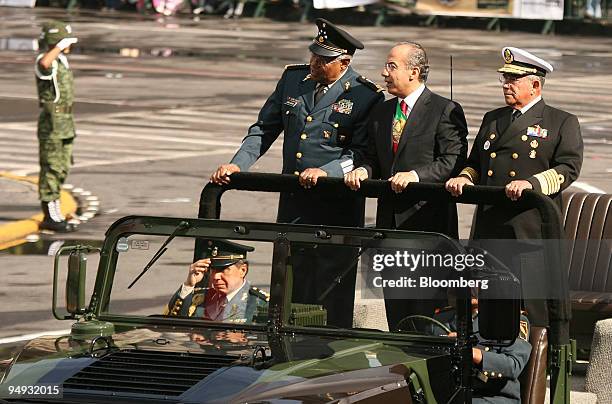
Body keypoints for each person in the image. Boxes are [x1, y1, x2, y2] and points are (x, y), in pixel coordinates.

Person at [210, 19, 384, 328]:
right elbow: (264, 129)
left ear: (344, 62)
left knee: (330, 285)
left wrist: (326, 171)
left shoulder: (365, 95)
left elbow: (361, 154)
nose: (314, 63)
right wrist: (238, 164)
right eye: (313, 55)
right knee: (289, 275)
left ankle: (330, 343)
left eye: (323, 60)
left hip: (335, 208)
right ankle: (285, 337)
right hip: (293, 203)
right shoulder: (293, 80)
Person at [445, 47, 583, 324]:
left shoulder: (560, 121)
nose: (506, 85)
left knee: (531, 308)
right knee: (491, 305)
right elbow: (476, 162)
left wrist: (531, 184)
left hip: (528, 231)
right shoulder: (493, 118)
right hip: (490, 227)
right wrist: (465, 177)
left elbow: (568, 168)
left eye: (513, 80)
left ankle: (535, 364)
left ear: (534, 84)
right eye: (504, 79)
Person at [344, 42, 468, 329]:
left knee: (427, 316)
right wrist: (364, 170)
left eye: (391, 66)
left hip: (427, 229)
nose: (384, 72)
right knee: (397, 313)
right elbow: (374, 158)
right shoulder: (383, 112)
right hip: (390, 231)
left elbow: (453, 161)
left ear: (414, 71)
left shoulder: (443, 109)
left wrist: (416, 176)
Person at [437, 300, 532, 404]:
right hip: (449, 395)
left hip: (492, 397)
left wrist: (473, 353)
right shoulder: (442, 318)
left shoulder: (510, 318)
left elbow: (513, 365)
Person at [35, 21, 79, 233]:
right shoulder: (47, 61)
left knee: (62, 168)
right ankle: (50, 215)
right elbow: (44, 63)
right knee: (51, 169)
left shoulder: (61, 61)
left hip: (65, 124)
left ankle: (56, 211)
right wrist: (58, 46)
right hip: (52, 126)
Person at [165, 240, 268, 323]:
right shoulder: (198, 298)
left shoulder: (260, 304)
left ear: (242, 270)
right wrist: (189, 285)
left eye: (223, 270)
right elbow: (171, 324)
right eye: (213, 270)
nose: (216, 276)